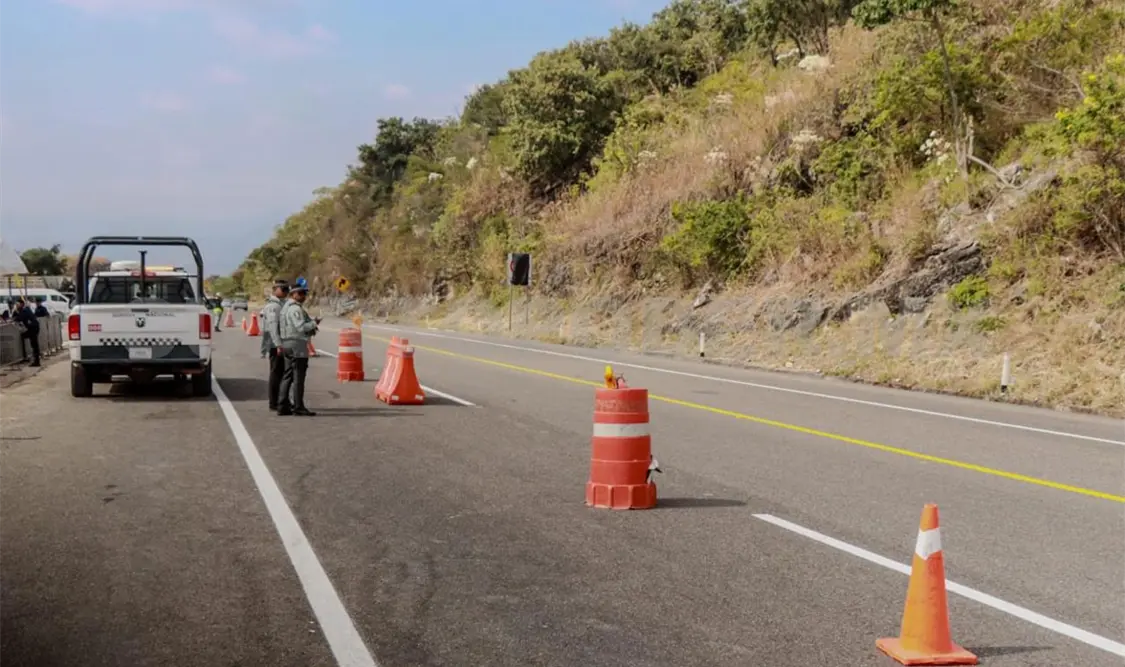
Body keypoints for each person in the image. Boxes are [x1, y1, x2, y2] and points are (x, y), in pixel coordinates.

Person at [276, 282, 320, 416]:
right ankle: (298, 406)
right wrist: (314, 323)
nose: (303, 296)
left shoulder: (285, 307)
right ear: (293, 294)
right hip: (296, 344)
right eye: (300, 293)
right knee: (298, 376)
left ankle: (282, 405)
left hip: (287, 343)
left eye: (304, 293)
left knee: (288, 375)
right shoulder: (295, 309)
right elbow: (300, 327)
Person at [261, 280, 289, 411]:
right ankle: (274, 402)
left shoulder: (281, 304)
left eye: (286, 288)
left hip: (280, 343)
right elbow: (273, 327)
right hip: (275, 344)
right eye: (282, 288)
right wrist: (278, 344)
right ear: (275, 289)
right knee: (276, 373)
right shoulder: (274, 306)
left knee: (282, 373)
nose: (285, 291)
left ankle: (282, 400)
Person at [12, 298, 41, 367]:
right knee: (33, 343)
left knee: (34, 344)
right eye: (16, 305)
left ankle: (35, 361)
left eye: (17, 305)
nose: (16, 306)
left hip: (33, 328)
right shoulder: (25, 309)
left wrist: (14, 317)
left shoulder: (24, 310)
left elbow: (19, 318)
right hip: (33, 328)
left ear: (22, 304)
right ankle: (32, 358)